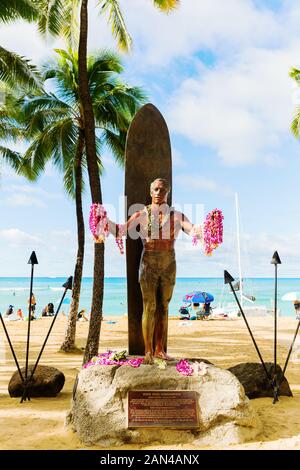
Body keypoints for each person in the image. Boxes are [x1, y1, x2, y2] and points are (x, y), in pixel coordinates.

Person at [95, 178, 203, 364]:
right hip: (148, 263)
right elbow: (120, 231)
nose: (159, 192)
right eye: (156, 189)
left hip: (169, 263)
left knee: (164, 307)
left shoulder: (177, 216)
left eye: (162, 189)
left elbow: (192, 230)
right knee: (150, 306)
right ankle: (148, 351)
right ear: (150, 191)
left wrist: (206, 228)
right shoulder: (141, 214)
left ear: (168, 192)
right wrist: (103, 220)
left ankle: (160, 349)